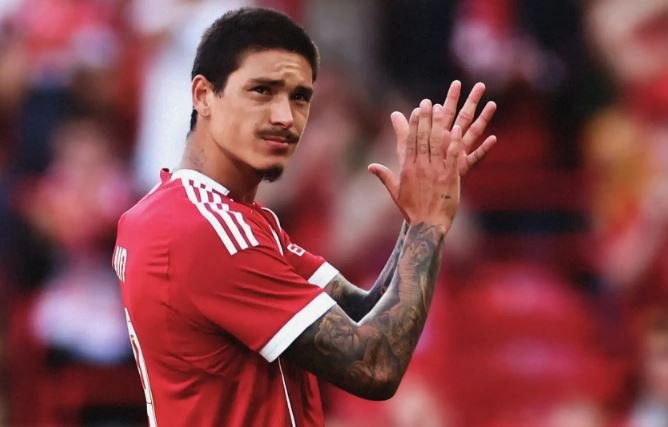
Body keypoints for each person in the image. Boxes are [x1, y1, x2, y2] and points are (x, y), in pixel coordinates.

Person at [113, 7, 497, 427]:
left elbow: (360, 310)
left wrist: (416, 215)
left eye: (299, 97)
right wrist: (428, 223)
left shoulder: (219, 217)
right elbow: (375, 366)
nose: (285, 117)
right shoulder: (206, 231)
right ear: (204, 95)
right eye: (261, 91)